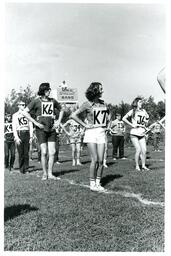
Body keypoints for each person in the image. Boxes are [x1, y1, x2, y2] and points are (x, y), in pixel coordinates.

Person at [70, 82, 110, 191]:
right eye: (101, 89)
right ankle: (92, 184)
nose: (102, 91)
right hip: (91, 133)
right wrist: (85, 125)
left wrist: (106, 126)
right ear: (95, 90)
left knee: (101, 161)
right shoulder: (87, 104)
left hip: (101, 132)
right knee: (95, 159)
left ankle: (98, 183)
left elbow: (107, 118)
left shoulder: (104, 104)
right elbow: (73, 115)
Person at [22, 83, 64, 180]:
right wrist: (35, 123)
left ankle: (50, 173)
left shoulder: (53, 101)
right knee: (44, 152)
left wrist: (58, 121)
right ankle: (44, 173)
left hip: (52, 129)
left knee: (52, 152)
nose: (49, 91)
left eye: (49, 89)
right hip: (41, 130)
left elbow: (61, 109)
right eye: (48, 90)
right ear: (43, 91)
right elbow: (24, 112)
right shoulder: (36, 101)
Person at [122, 97, 150, 171]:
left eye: (142, 102)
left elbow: (146, 120)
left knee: (144, 150)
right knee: (138, 149)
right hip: (134, 133)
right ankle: (137, 166)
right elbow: (124, 118)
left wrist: (146, 127)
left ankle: (143, 166)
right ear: (136, 103)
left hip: (142, 133)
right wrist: (131, 124)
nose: (141, 103)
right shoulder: (133, 111)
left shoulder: (144, 111)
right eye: (140, 102)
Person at [12, 101, 33, 174]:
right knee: (20, 153)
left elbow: (30, 125)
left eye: (24, 105)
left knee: (26, 153)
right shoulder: (15, 115)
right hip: (19, 132)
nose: (23, 106)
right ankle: (21, 169)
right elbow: (14, 127)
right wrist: (16, 137)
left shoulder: (27, 114)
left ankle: (26, 169)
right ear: (18, 106)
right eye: (22, 105)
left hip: (26, 132)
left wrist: (31, 136)